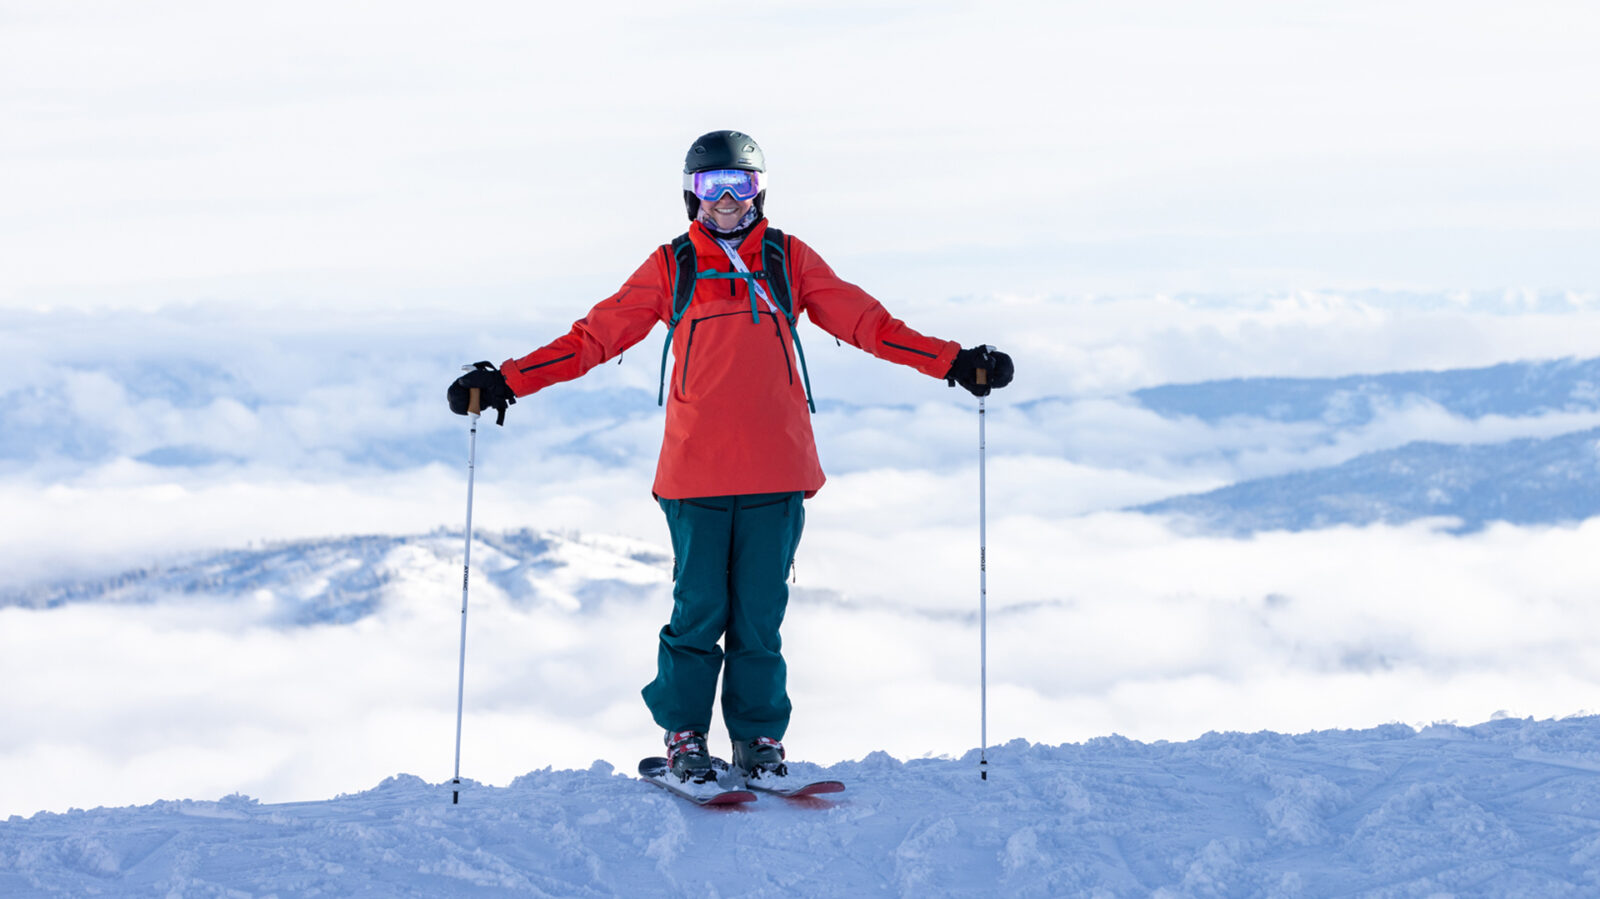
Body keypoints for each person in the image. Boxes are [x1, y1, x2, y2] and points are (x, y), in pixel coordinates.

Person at [449, 130, 1013, 784]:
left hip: (776, 473)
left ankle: (759, 741)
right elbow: (593, 338)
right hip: (696, 475)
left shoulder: (788, 260)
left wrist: (955, 361)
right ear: (690, 195)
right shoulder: (671, 267)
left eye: (739, 186)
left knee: (759, 617)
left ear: (760, 191)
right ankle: (684, 738)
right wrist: (509, 379)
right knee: (698, 613)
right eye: (711, 187)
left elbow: (870, 324)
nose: (725, 201)